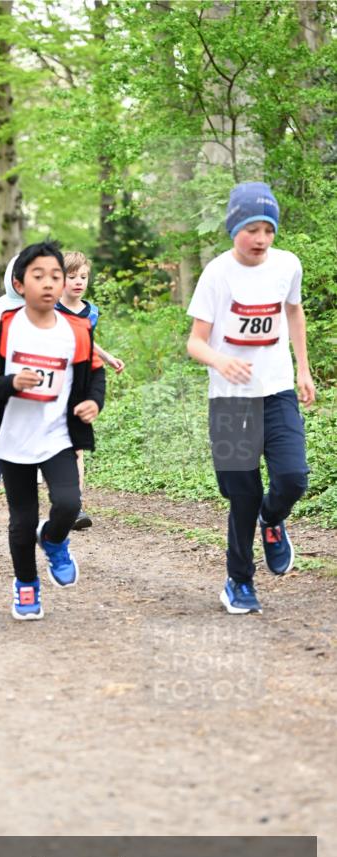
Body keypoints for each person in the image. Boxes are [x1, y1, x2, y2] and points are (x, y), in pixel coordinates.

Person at [186, 181, 314, 614]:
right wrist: (220, 362)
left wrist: (304, 369)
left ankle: (272, 519)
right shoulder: (217, 273)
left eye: (268, 230)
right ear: (233, 228)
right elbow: (195, 342)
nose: (261, 239)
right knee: (241, 494)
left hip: (276, 391)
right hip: (230, 400)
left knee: (294, 478)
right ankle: (239, 581)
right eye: (251, 229)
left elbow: (293, 312)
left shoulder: (287, 265)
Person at [0, 240, 106, 620]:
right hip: (14, 438)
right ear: (19, 284)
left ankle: (54, 539)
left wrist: (94, 402)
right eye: (38, 276)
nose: (49, 284)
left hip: (58, 435)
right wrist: (11, 382)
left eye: (56, 276)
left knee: (67, 503)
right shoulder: (6, 327)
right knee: (22, 519)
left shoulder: (77, 329)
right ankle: (26, 584)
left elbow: (94, 374)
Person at [57, 250, 125, 530]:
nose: (78, 282)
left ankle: (75, 505)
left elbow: (87, 340)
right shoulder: (50, 309)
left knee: (77, 448)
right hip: (53, 383)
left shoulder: (91, 311)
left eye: (83, 276)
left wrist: (107, 357)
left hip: (81, 384)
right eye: (71, 276)